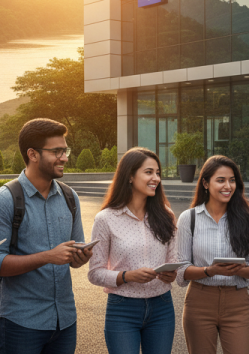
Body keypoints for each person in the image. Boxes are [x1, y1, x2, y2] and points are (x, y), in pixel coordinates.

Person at [0, 118, 89, 354]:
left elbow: (72, 255)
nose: (64, 157)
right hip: (21, 322)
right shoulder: (2, 201)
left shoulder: (71, 198)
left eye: (65, 150)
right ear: (33, 154)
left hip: (65, 320)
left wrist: (79, 258)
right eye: (57, 151)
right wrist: (47, 256)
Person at [88, 147, 177, 354]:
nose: (156, 178)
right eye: (148, 172)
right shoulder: (106, 219)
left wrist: (171, 273)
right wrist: (127, 276)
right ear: (129, 176)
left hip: (162, 306)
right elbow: (94, 273)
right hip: (122, 308)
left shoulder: (167, 216)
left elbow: (175, 263)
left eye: (158, 173)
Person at [176, 155, 249, 354]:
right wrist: (209, 271)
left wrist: (243, 270)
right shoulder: (188, 219)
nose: (228, 186)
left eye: (232, 180)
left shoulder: (247, 218)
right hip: (199, 302)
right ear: (205, 183)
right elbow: (181, 270)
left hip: (237, 302)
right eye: (221, 180)